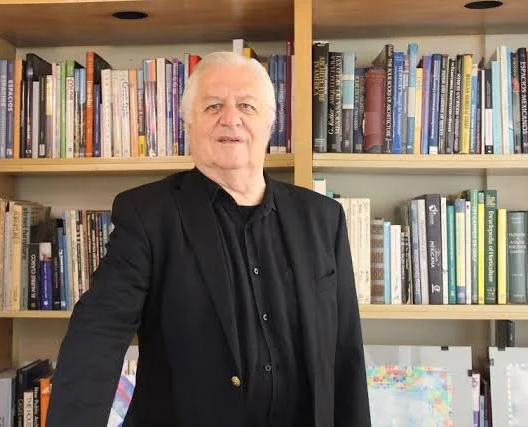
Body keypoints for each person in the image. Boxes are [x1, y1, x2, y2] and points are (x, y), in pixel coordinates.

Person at [46, 51, 371, 427]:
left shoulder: (323, 218)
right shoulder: (147, 214)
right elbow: (98, 333)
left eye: (247, 106)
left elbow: (345, 352)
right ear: (188, 122)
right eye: (213, 105)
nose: (230, 118)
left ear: (270, 123)